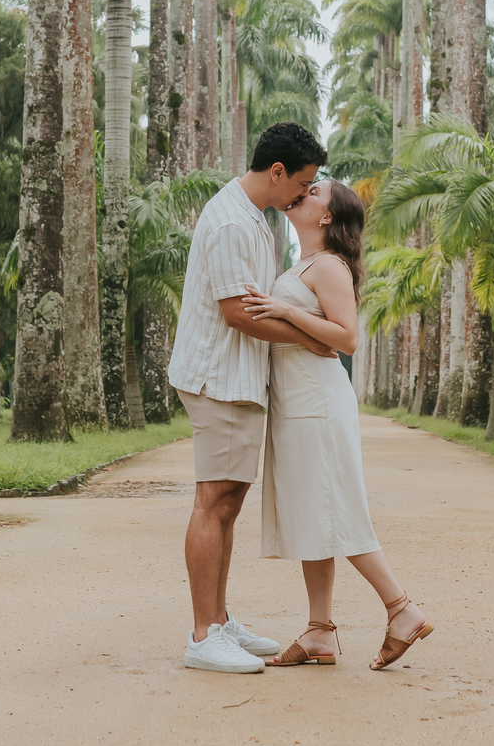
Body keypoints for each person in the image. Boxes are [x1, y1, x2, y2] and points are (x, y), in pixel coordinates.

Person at [243, 177, 434, 672]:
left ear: (326, 216)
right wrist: (300, 328)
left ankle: (401, 609)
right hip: (299, 401)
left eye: (316, 192)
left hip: (317, 404)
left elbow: (347, 338)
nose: (304, 192)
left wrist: (284, 310)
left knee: (337, 509)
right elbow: (318, 335)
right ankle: (320, 630)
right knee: (314, 512)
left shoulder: (328, 265)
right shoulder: (303, 263)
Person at [168, 120, 331, 674]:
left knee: (228, 501)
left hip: (236, 378)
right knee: (214, 501)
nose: (305, 196)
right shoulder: (234, 224)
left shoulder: (253, 218)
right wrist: (312, 338)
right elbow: (238, 313)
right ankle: (202, 634)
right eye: (303, 184)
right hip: (220, 376)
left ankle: (219, 621)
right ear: (277, 171)